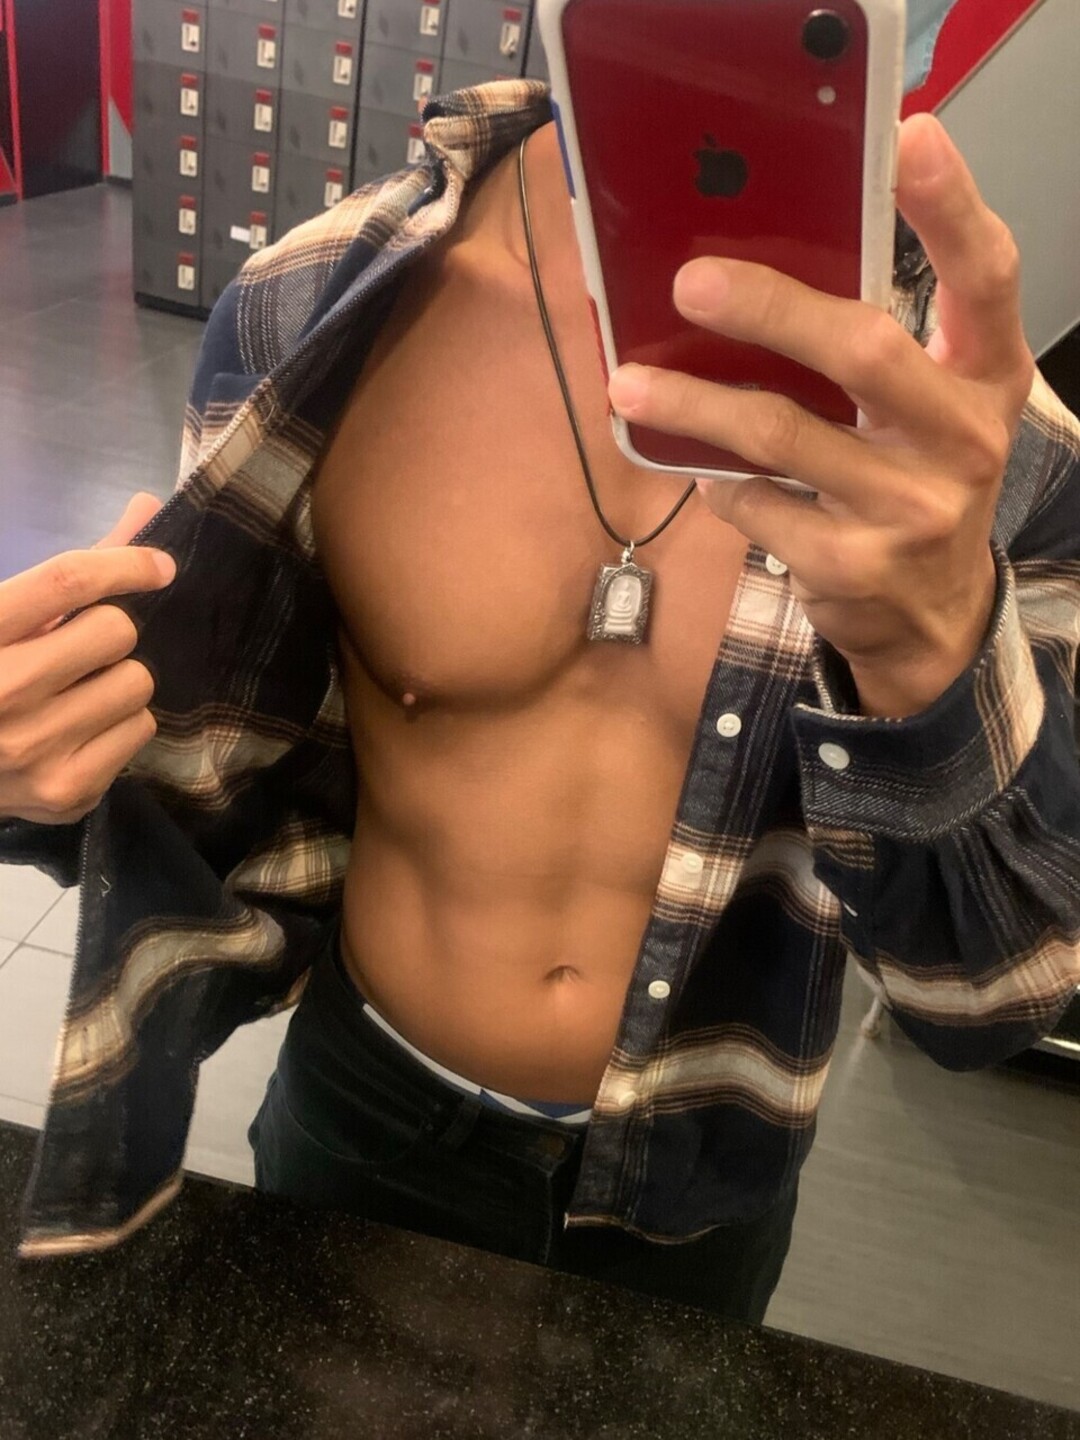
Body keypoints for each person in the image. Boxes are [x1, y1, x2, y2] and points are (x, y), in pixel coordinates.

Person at [1, 80, 1078, 1327]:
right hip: (367, 1108)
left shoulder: (973, 442)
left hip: (703, 1176)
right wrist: (46, 760)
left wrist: (928, 662)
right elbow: (217, 779)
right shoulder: (311, 302)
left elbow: (995, 998)